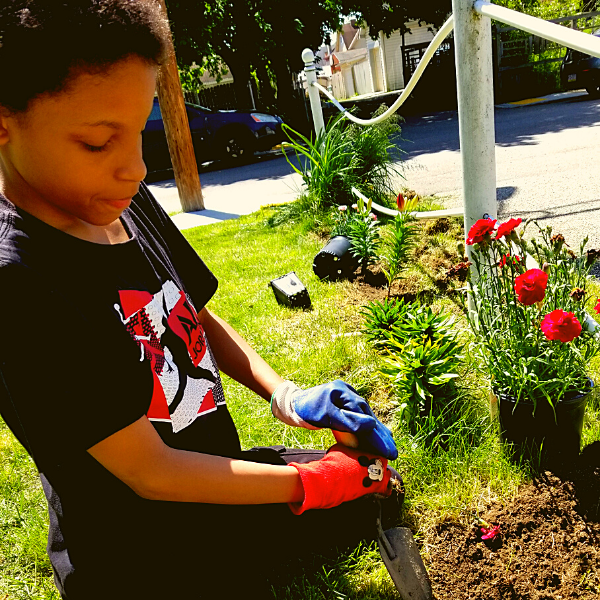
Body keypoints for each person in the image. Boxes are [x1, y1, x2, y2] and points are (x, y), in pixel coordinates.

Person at [0, 1, 401, 598]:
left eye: (140, 131)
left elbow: (193, 312)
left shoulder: (120, 200)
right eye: (97, 144)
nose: (135, 168)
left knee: (373, 482)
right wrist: (305, 484)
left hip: (216, 478)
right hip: (140, 550)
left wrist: (283, 392)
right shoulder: (20, 284)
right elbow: (151, 471)